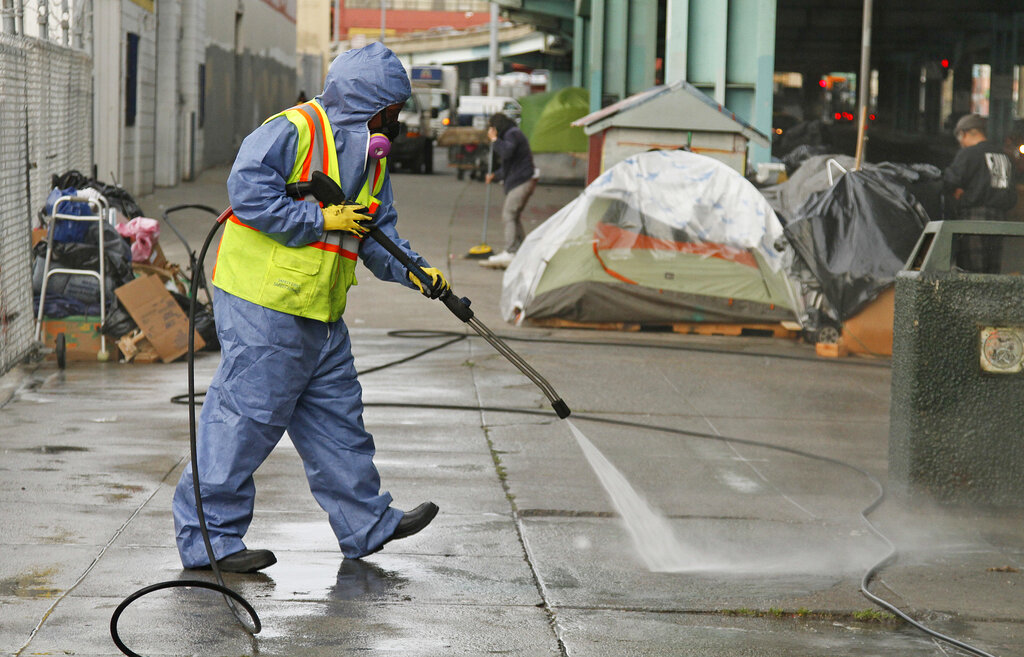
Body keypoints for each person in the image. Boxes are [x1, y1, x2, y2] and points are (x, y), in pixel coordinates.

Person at [171, 43, 446, 574]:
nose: (397, 121)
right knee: (244, 422)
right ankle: (208, 540)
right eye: (393, 109)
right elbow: (248, 194)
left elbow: (377, 233)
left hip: (319, 311)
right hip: (265, 305)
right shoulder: (293, 130)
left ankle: (367, 522)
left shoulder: (371, 157)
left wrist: (416, 271)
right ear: (370, 103)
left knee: (337, 420)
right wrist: (320, 220)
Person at [943, 113, 1017, 273]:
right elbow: (1012, 192)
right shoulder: (1005, 156)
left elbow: (950, 182)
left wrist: (959, 194)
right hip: (999, 219)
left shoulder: (969, 154)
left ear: (963, 133)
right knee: (992, 271)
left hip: (973, 218)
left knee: (972, 271)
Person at [481, 112, 537, 269]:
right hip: (521, 180)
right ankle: (523, 251)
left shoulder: (512, 134)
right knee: (514, 216)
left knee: (509, 214)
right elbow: (509, 164)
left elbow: (506, 152)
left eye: (492, 128)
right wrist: (495, 176)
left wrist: (495, 140)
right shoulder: (512, 134)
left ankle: (511, 251)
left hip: (521, 181)